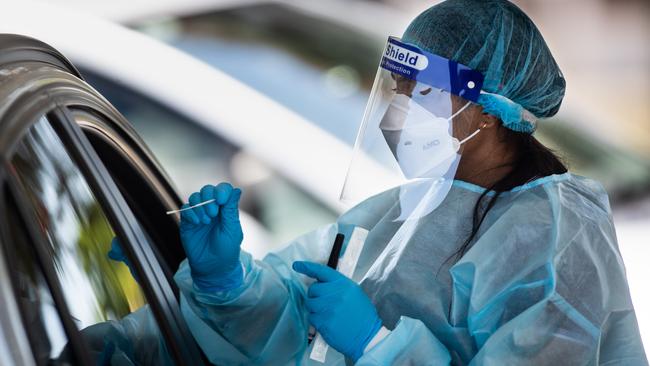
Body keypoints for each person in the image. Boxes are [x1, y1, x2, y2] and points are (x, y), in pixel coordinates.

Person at [116, 0, 648, 364]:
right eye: (395, 90)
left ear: (487, 109)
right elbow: (292, 318)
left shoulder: (553, 234)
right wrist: (226, 281)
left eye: (417, 93)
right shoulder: (400, 212)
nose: (396, 113)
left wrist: (377, 345)